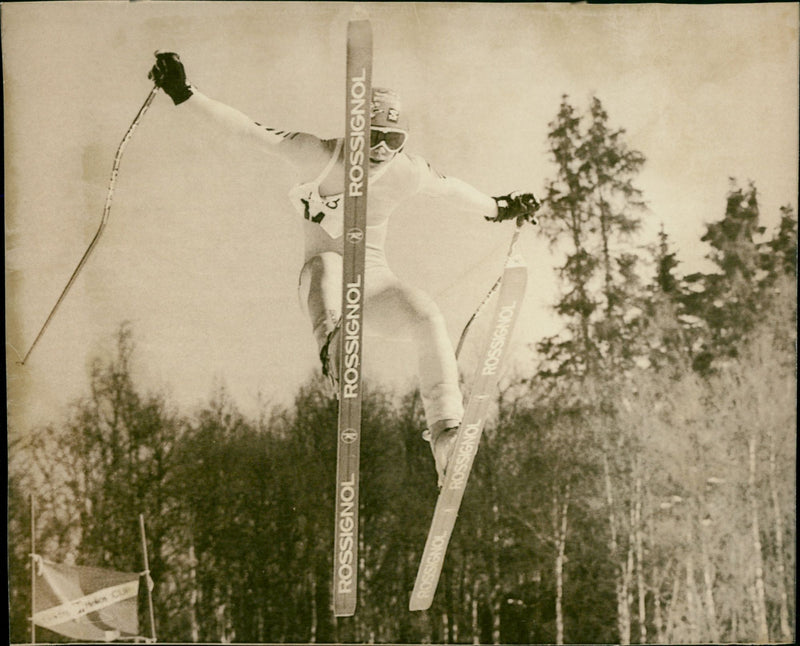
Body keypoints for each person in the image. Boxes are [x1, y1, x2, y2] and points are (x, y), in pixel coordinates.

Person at [149, 52, 539, 486]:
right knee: (330, 265)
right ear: (355, 132)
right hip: (323, 281)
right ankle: (332, 344)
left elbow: (452, 191)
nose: (381, 151)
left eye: (393, 140)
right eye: (373, 137)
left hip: (374, 286)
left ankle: (446, 431)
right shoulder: (317, 155)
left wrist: (501, 207)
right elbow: (247, 129)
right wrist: (184, 94)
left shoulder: (405, 171)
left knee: (427, 314)